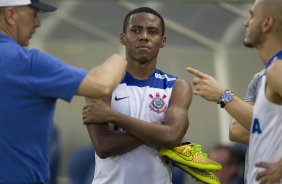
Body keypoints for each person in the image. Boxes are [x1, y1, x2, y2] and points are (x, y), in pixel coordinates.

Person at [0, 0, 127, 183]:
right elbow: (101, 84)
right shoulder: (25, 62)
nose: (38, 23)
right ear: (10, 15)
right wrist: (122, 56)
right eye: (33, 14)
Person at [82, 7, 192, 184]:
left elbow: (171, 137)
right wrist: (157, 130)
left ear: (162, 41)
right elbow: (104, 146)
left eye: (153, 32)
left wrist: (112, 116)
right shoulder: (102, 84)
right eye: (136, 30)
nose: (144, 36)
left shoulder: (177, 87)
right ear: (123, 37)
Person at [186, 0, 282, 183]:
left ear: (267, 23)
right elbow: (241, 130)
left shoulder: (278, 69)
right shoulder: (266, 74)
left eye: (252, 15)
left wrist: (223, 95)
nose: (246, 22)